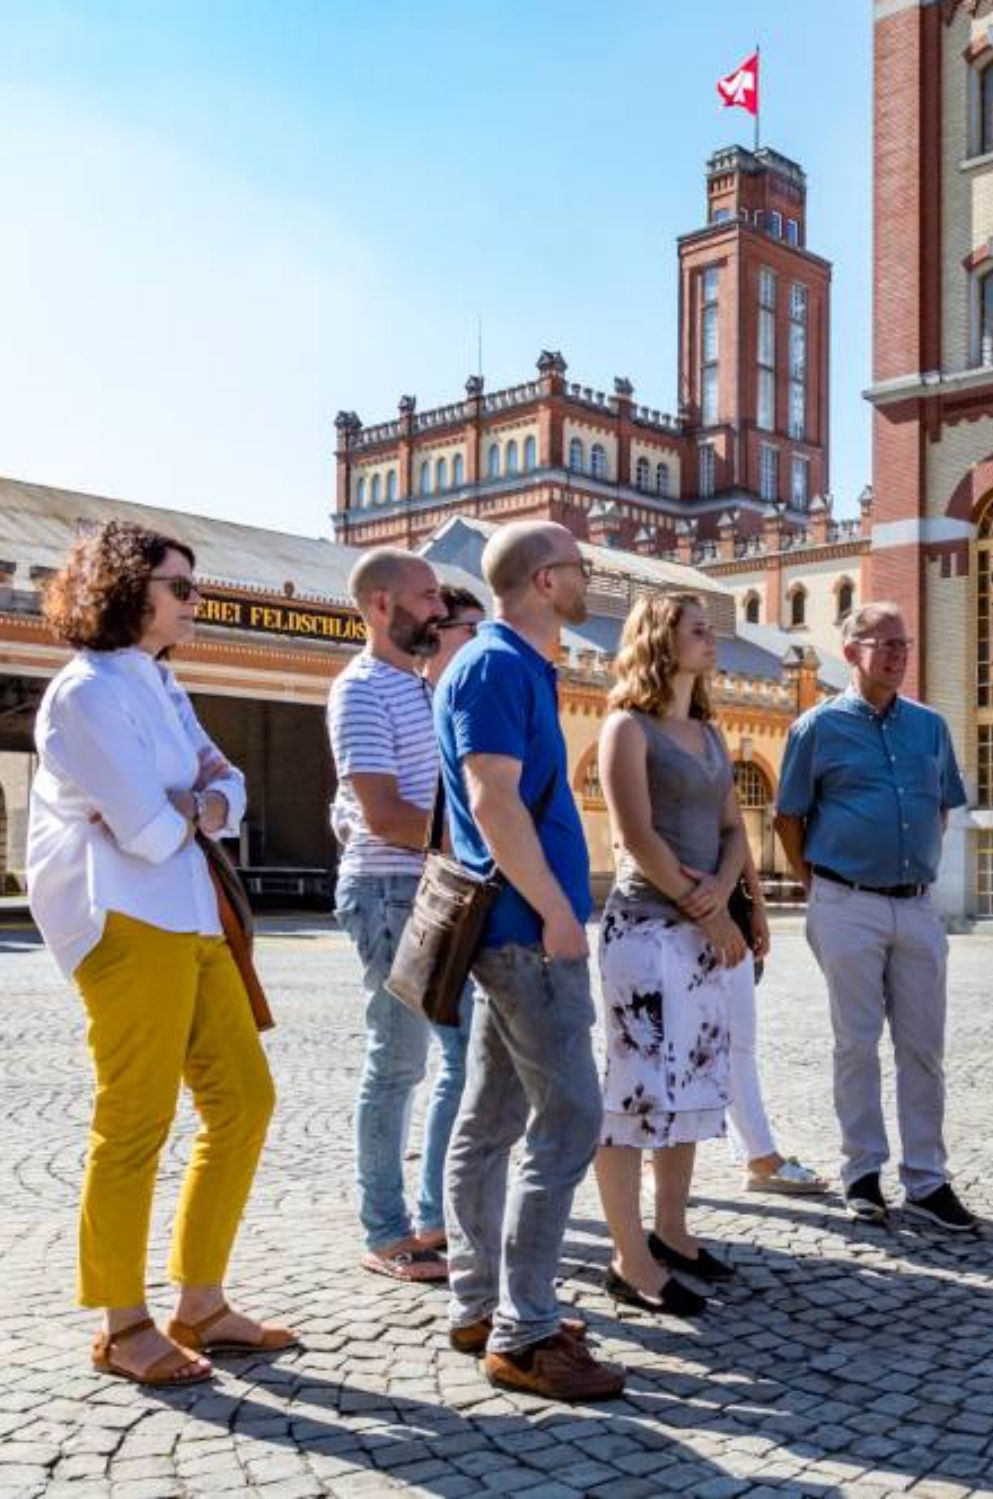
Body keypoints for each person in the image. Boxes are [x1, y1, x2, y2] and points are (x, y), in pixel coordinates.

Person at [27, 520, 292, 1386]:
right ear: (124, 588)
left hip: (190, 912)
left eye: (194, 585)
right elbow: (143, 832)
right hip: (123, 917)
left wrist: (194, 805)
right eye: (181, 586)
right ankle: (121, 1320)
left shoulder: (163, 684)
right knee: (134, 1118)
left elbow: (225, 789)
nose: (194, 599)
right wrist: (190, 806)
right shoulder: (87, 693)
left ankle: (201, 1301)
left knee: (245, 1098)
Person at [434, 521, 624, 1401]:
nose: (591, 581)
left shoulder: (509, 664)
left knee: (490, 1119)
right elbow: (490, 799)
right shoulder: (496, 664)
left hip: (515, 929)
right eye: (582, 570)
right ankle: (525, 1329)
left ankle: (480, 1304)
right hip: (524, 932)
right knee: (571, 1118)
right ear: (547, 581)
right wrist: (556, 908)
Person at [774, 602, 973, 1230]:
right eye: (883, 642)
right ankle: (862, 1172)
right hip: (845, 902)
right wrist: (822, 888)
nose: (896, 653)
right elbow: (788, 817)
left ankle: (927, 1179)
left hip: (915, 905)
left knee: (923, 1049)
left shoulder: (930, 727)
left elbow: (942, 806)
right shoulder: (816, 728)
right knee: (856, 1043)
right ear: (851, 649)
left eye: (903, 642)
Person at [592, 591, 751, 1316]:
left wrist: (722, 898)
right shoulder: (627, 728)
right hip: (646, 931)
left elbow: (734, 829)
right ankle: (628, 1258)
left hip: (698, 930)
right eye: (697, 630)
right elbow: (637, 836)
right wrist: (706, 910)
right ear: (661, 639)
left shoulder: (711, 733)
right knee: (635, 1090)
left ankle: (674, 1232)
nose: (710, 640)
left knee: (691, 1083)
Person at [327, 547, 463, 1283]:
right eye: (425, 596)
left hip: (437, 888)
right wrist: (472, 837)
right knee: (399, 1062)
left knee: (464, 1057)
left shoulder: (419, 686)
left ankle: (437, 1212)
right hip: (390, 892)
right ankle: (387, 1230)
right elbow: (381, 813)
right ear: (382, 605)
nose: (439, 608)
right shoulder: (360, 690)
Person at [727, 849, 828, 1195]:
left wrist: (756, 905)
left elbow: (733, 829)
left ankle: (758, 1155)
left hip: (729, 918)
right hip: (668, 915)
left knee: (738, 1045)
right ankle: (652, 1158)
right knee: (668, 1045)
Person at [427, 584, 486, 683]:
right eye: (472, 629)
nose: (483, 639)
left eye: (484, 629)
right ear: (437, 632)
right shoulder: (401, 692)